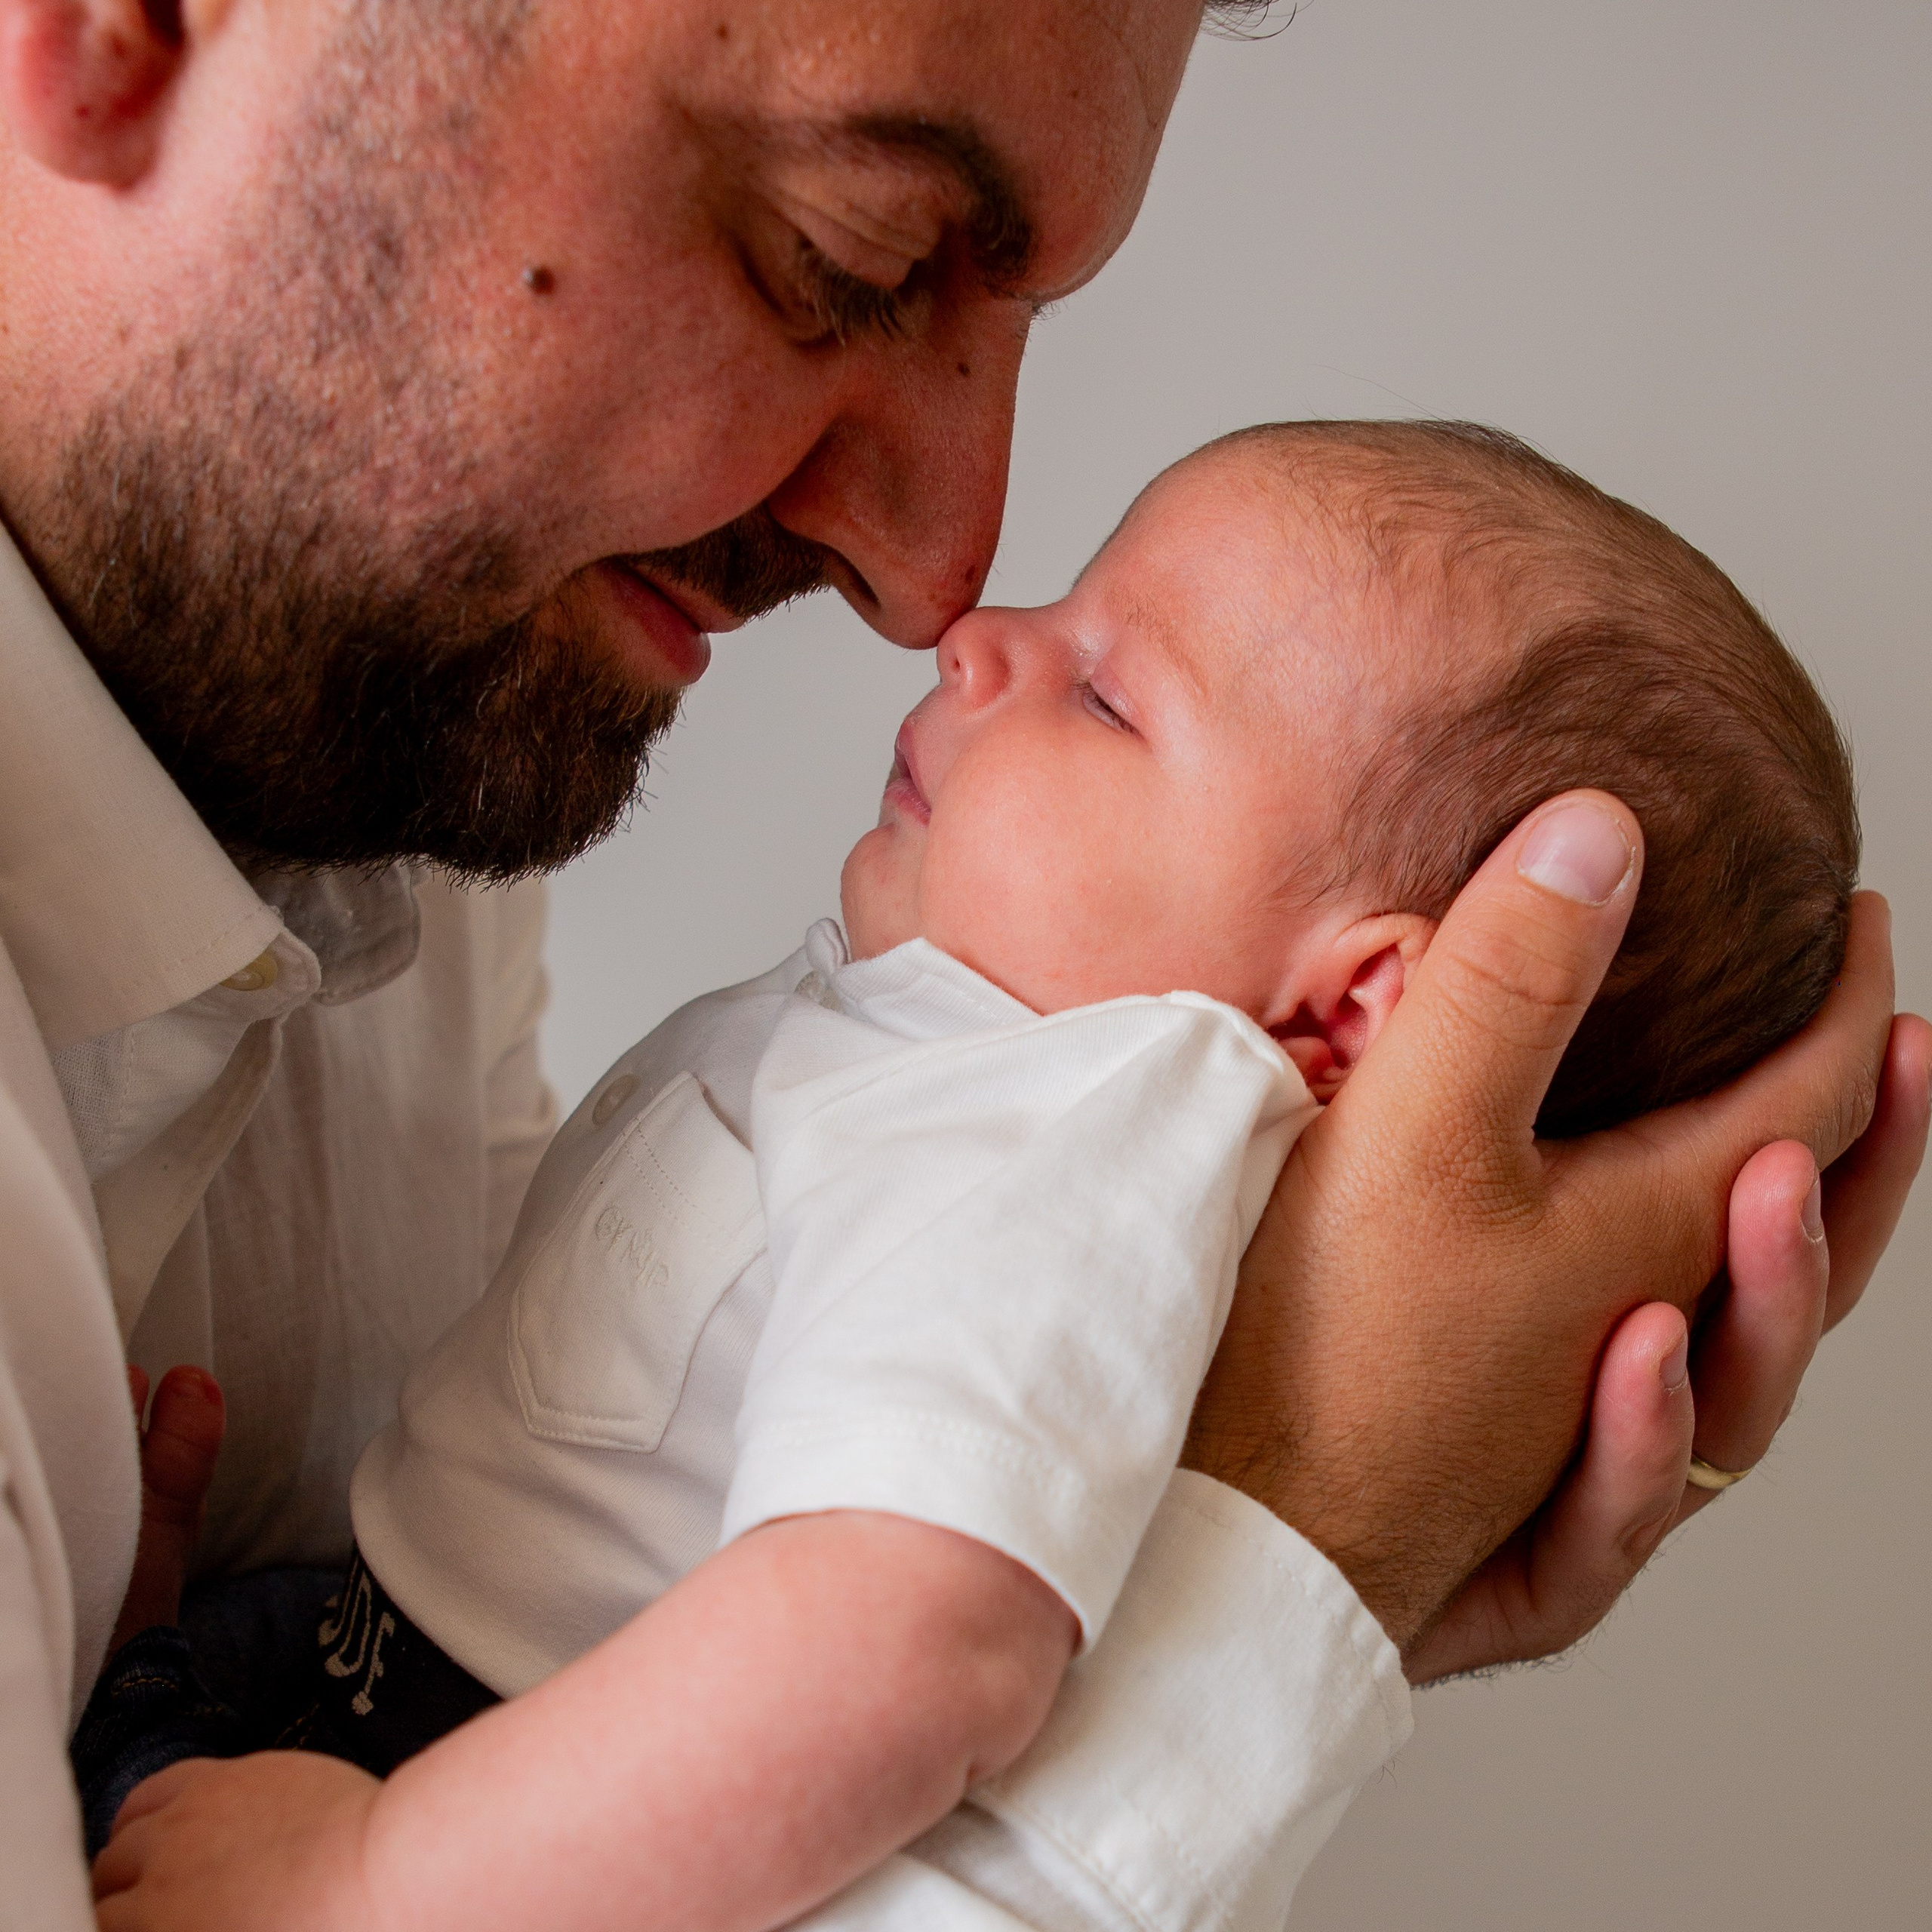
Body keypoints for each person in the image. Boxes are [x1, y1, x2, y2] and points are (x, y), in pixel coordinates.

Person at [0, 2, 1919, 1927]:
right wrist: (1292, 1562)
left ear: (1354, 1004)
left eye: (1107, 688)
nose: (940, 585)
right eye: (841, 254)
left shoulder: (474, 787)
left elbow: (870, 1644)